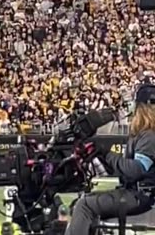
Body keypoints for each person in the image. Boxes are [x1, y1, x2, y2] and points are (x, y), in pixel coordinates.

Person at [66, 83, 155, 235]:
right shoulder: (146, 134)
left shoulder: (149, 136)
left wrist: (107, 154)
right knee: (85, 200)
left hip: (140, 197)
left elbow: (136, 170)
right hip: (139, 194)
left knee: (84, 205)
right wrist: (103, 156)